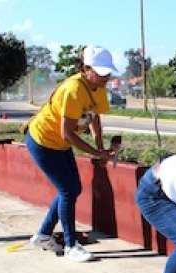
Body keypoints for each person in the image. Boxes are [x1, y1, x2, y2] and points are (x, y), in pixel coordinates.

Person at [25, 46, 116, 262]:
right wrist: (96, 153)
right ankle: (70, 245)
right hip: (43, 141)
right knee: (68, 190)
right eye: (101, 72)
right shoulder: (73, 90)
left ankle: (43, 235)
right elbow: (67, 134)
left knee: (71, 189)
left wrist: (100, 148)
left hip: (60, 145)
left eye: (108, 73)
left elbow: (94, 118)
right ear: (85, 68)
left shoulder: (98, 87)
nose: (106, 77)